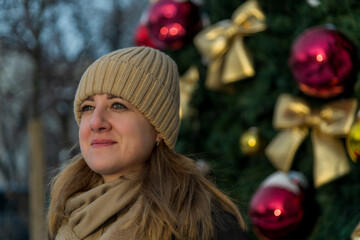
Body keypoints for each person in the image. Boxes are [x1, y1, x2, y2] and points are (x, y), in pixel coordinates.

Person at [47, 46, 249, 240]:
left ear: (158, 129)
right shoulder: (65, 214)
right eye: (87, 107)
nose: (96, 122)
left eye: (117, 105)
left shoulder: (205, 226)